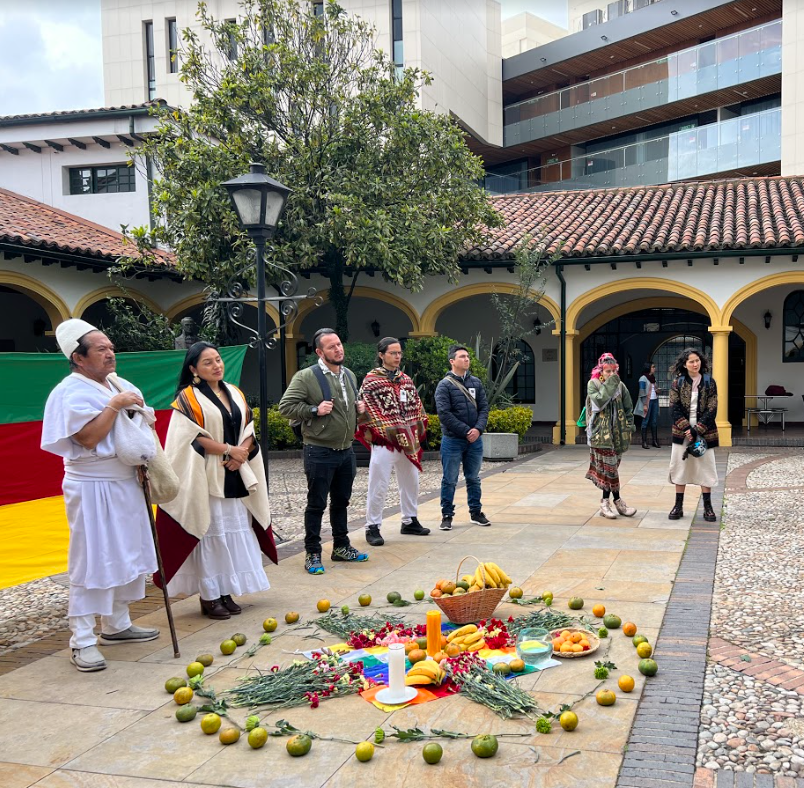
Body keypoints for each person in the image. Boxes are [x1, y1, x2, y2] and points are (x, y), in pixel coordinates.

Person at [41, 319, 160, 673]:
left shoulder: (117, 383)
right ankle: (82, 639)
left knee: (126, 553)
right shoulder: (70, 391)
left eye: (111, 348)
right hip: (91, 486)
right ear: (78, 358)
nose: (110, 354)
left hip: (125, 481)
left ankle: (117, 624)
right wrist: (115, 405)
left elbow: (139, 422)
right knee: (93, 558)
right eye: (101, 350)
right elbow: (88, 438)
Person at [154, 342, 277, 619]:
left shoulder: (234, 392)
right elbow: (189, 437)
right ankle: (209, 597)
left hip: (236, 471)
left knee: (234, 532)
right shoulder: (188, 398)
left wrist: (241, 452)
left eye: (218, 360)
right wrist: (228, 450)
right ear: (194, 369)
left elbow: (249, 425)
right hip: (206, 474)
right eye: (208, 362)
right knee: (212, 533)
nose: (216, 365)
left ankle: (225, 591)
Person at [278, 328, 368, 574]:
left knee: (341, 502)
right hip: (319, 450)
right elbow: (285, 407)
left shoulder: (348, 375)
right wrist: (314, 410)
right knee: (316, 504)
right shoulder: (306, 376)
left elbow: (349, 408)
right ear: (319, 351)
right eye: (331, 346)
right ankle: (313, 553)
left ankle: (341, 546)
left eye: (339, 344)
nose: (338, 349)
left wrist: (359, 408)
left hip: (346, 450)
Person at [357, 337, 429, 546]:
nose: (397, 357)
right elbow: (367, 409)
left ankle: (409, 520)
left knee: (411, 481)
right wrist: (388, 429)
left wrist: (413, 430)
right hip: (384, 440)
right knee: (378, 484)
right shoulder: (371, 380)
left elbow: (416, 405)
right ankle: (372, 526)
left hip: (407, 440)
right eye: (393, 353)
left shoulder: (406, 379)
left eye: (399, 353)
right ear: (381, 355)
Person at [434, 344, 491, 530]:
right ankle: (447, 515)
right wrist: (467, 431)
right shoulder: (444, 385)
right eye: (462, 357)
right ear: (452, 361)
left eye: (467, 356)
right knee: (449, 479)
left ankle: (476, 512)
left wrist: (478, 429)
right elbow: (444, 413)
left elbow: (484, 408)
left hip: (475, 440)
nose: (466, 359)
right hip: (453, 440)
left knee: (473, 478)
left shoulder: (476, 382)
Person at [667, 348, 719, 522]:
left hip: (705, 431)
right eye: (691, 361)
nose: (695, 364)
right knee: (680, 467)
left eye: (697, 360)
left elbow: (712, 407)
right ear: (684, 364)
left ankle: (708, 507)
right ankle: (678, 506)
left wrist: (698, 429)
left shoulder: (709, 382)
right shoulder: (677, 383)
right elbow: (673, 407)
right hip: (682, 432)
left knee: (706, 466)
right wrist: (687, 429)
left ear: (701, 362)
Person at [584, 352, 637, 519]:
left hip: (618, 436)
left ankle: (605, 503)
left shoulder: (621, 387)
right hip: (600, 435)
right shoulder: (593, 384)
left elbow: (629, 407)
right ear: (600, 371)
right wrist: (612, 382)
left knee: (610, 470)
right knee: (611, 469)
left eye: (614, 371)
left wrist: (629, 426)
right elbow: (599, 401)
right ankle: (617, 502)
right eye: (608, 371)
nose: (611, 375)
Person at [634, 361, 661, 450]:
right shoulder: (643, 378)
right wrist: (644, 404)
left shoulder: (653, 378)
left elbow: (654, 388)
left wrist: (657, 391)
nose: (654, 368)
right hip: (647, 402)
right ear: (648, 367)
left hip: (654, 401)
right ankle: (644, 442)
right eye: (653, 367)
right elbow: (641, 392)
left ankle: (654, 441)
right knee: (645, 420)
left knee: (654, 421)